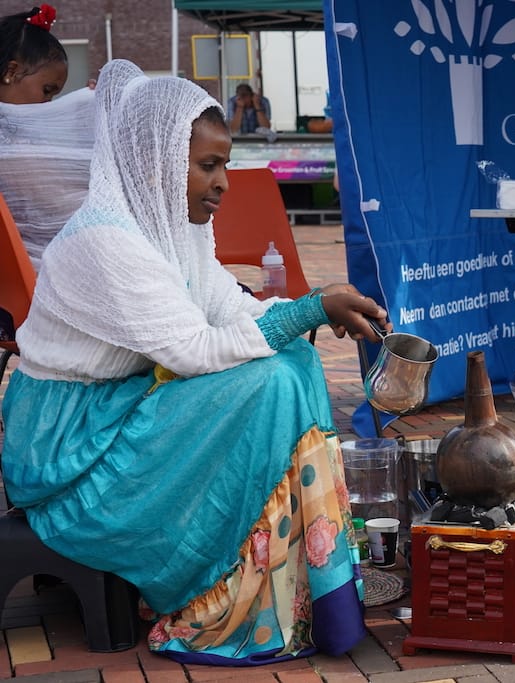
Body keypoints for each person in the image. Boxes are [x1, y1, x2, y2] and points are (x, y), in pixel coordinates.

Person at [0, 59, 384, 664]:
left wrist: (308, 310)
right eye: (208, 165)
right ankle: (224, 597)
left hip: (114, 413)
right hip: (66, 456)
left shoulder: (172, 230)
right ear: (157, 163)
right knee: (269, 384)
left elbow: (230, 310)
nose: (224, 183)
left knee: (293, 364)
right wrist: (310, 309)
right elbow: (195, 349)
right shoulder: (103, 240)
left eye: (224, 164)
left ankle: (301, 588)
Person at [0, 3, 94, 269]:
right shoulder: (12, 153)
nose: (48, 104)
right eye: (47, 91)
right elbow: (62, 202)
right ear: (11, 73)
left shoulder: (19, 141)